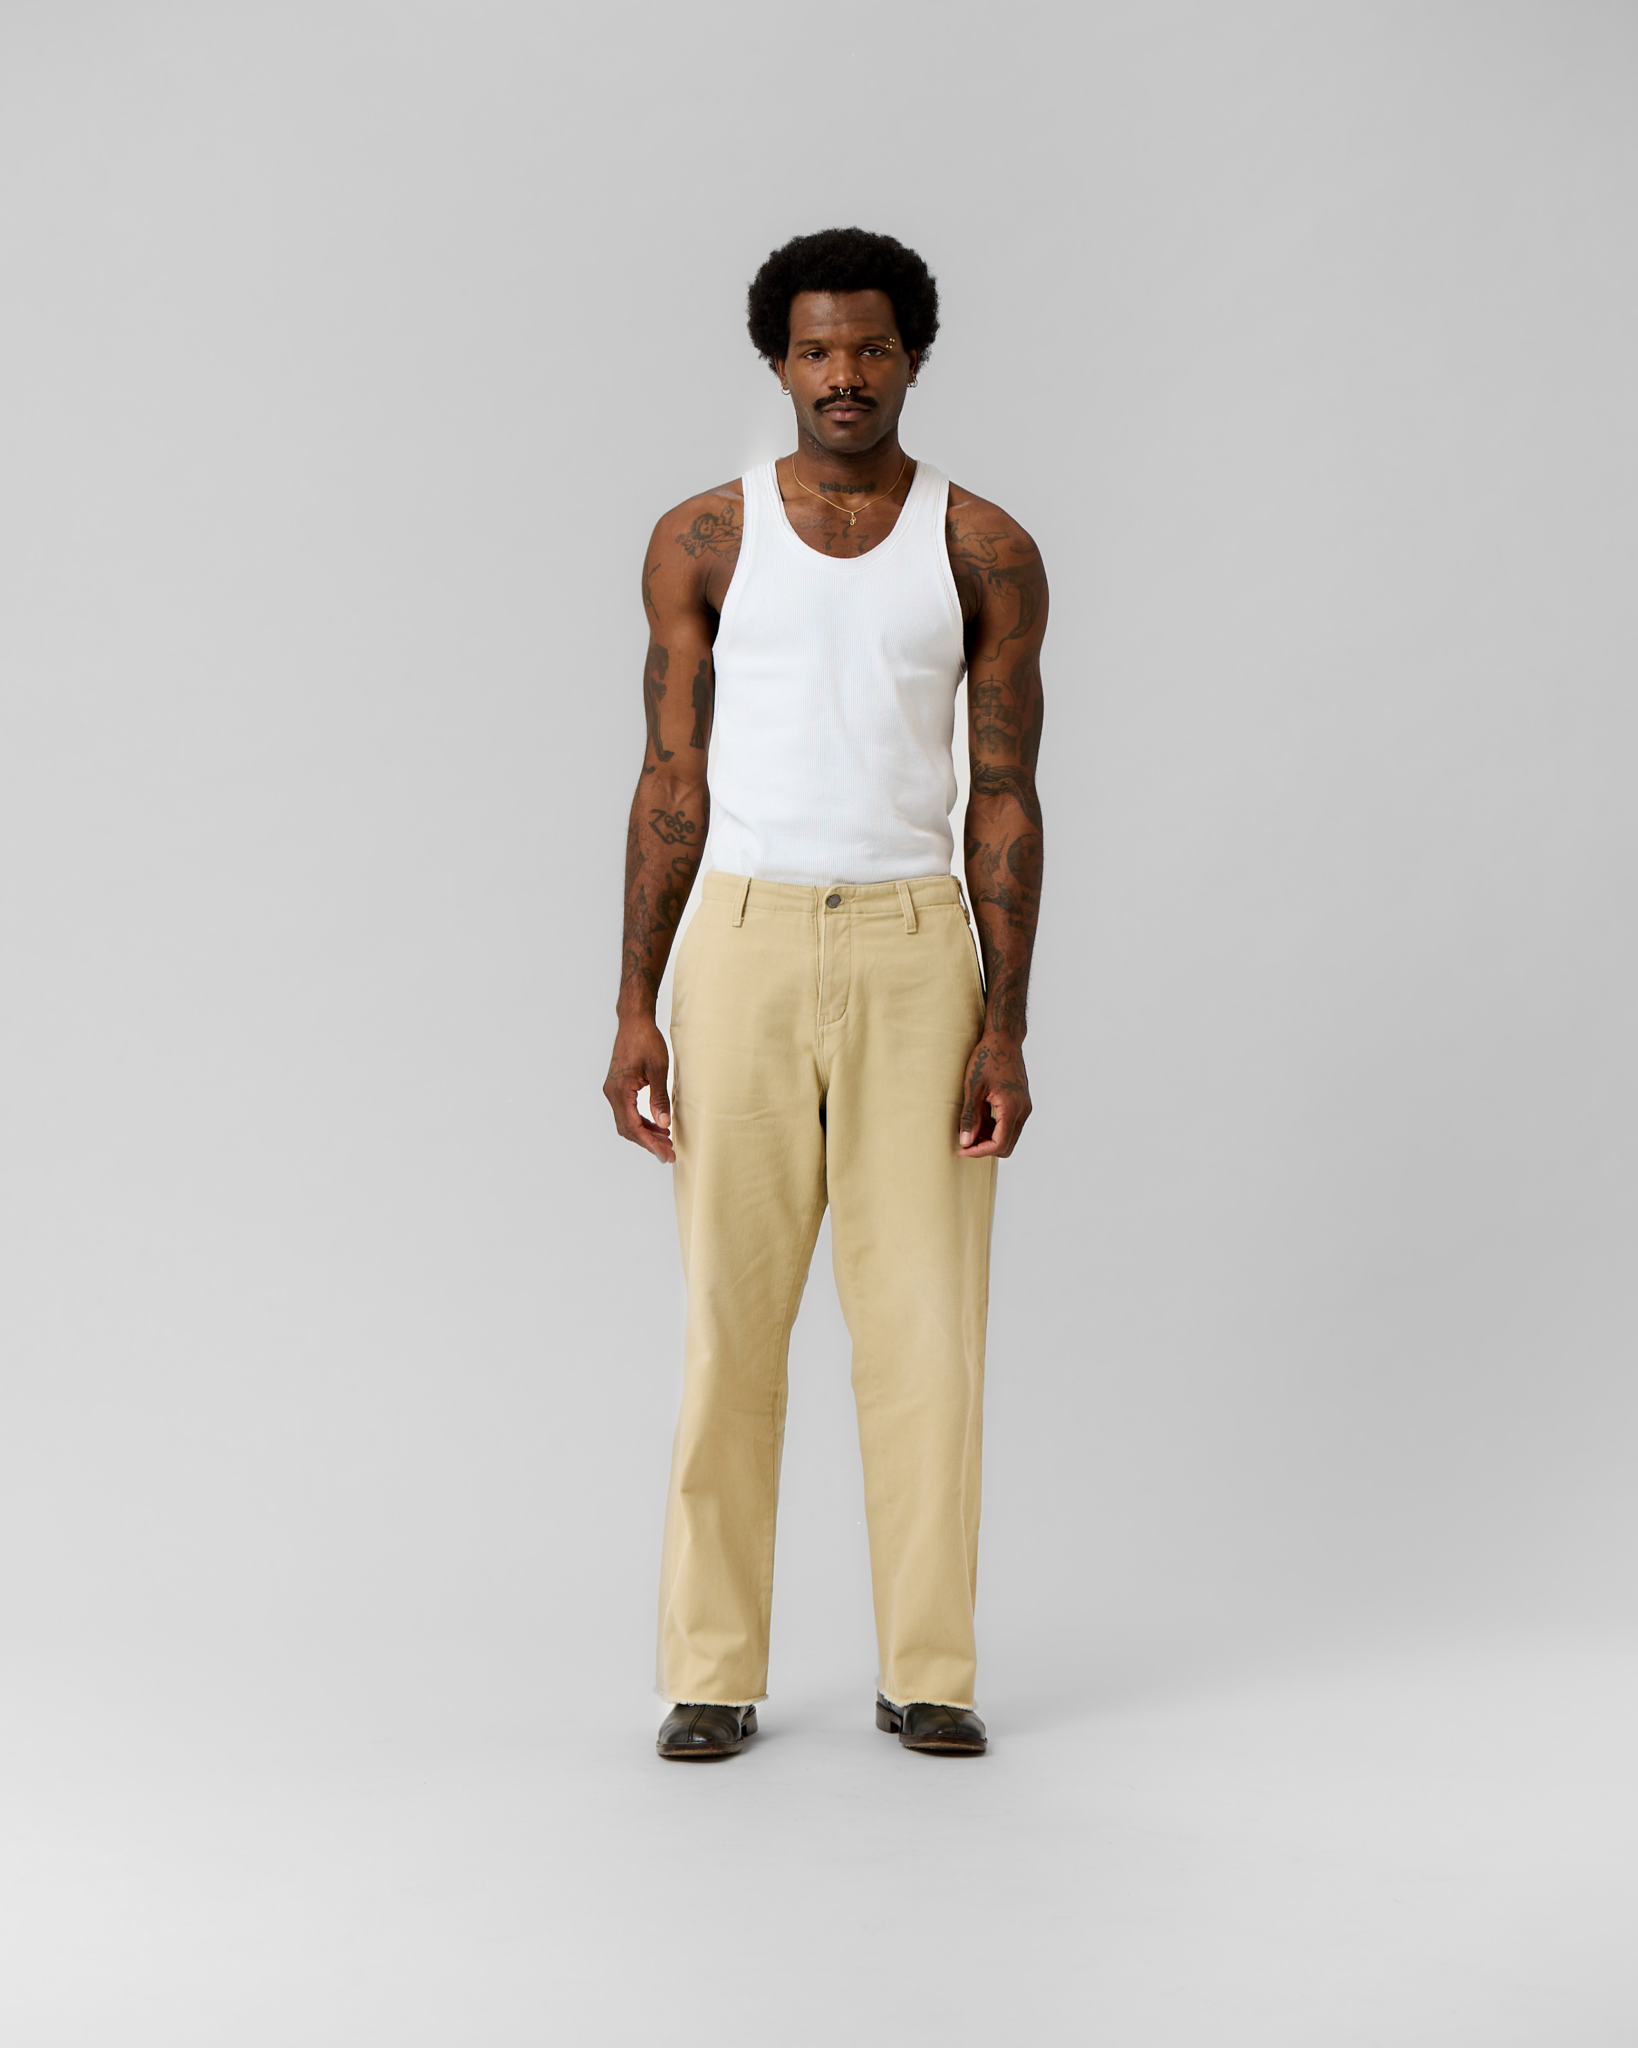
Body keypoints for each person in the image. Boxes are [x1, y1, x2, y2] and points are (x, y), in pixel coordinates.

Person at [603, 227, 1046, 1761]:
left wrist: (1004, 1024)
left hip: (919, 947)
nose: (841, 374)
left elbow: (1005, 791)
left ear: (911, 356)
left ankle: (929, 1669)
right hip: (741, 939)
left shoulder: (979, 546)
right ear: (777, 362)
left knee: (925, 1328)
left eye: (868, 348)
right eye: (814, 350)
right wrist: (635, 1004)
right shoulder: (704, 539)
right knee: (729, 1326)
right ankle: (710, 1671)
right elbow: (669, 777)